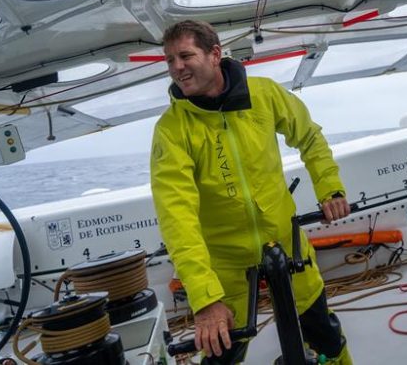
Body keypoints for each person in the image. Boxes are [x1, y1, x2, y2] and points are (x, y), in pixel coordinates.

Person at [151, 20, 354, 364]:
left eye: (185, 56)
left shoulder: (264, 94)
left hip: (287, 246)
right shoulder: (171, 130)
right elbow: (177, 217)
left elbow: (309, 137)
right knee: (221, 355)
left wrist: (330, 188)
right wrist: (204, 297)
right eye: (170, 60)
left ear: (215, 54)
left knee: (325, 336)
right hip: (226, 264)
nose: (177, 67)